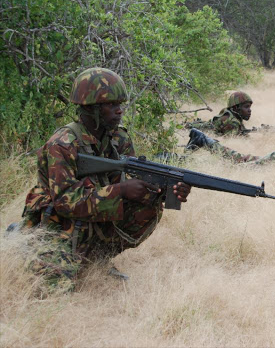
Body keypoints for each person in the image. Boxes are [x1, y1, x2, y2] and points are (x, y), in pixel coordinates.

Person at [15, 68, 191, 291]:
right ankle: (25, 240)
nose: (119, 111)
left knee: (147, 206)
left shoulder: (118, 138)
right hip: (57, 226)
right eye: (111, 105)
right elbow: (65, 201)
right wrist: (121, 191)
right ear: (91, 108)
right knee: (53, 288)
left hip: (91, 221)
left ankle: (96, 259)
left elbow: (138, 186)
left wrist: (166, 191)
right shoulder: (62, 144)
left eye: (120, 105)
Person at [186, 91, 252, 136]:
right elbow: (234, 140)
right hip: (190, 128)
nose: (250, 110)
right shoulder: (231, 122)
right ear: (235, 108)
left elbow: (241, 131)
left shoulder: (234, 115)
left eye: (249, 107)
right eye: (246, 107)